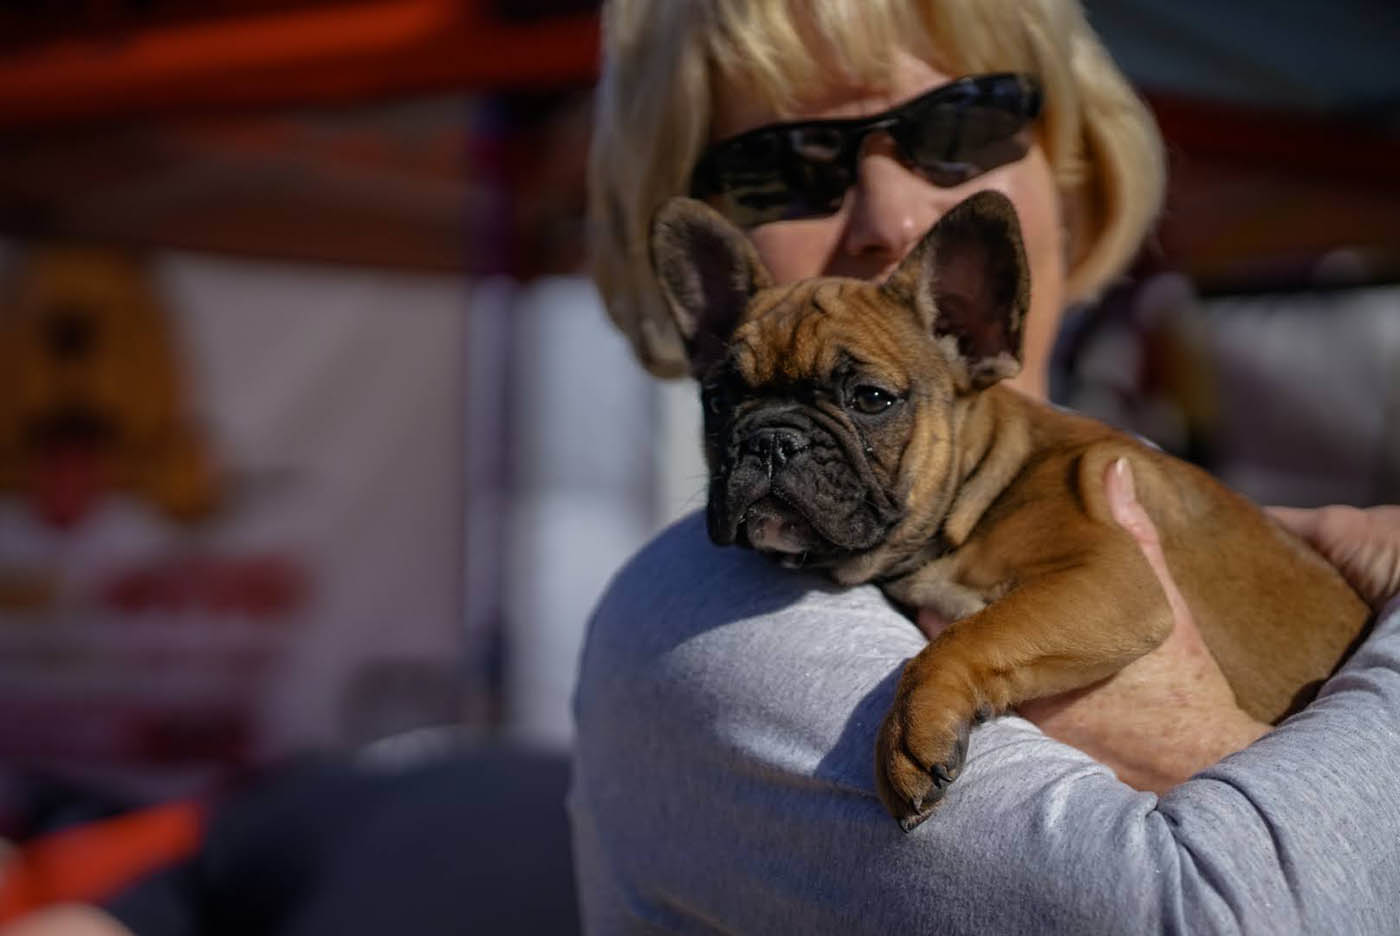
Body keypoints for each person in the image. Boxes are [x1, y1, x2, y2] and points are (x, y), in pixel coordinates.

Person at [569, 0, 1400, 931]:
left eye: (964, 129)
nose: (891, 215)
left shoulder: (1090, 483)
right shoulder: (710, 622)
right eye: (785, 167)